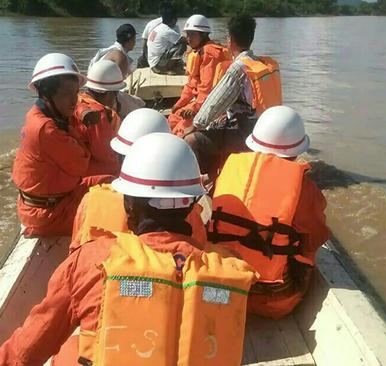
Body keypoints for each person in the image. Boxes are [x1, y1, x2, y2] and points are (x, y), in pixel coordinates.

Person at [0, 133, 257, 366]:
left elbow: (27, 350)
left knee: (72, 349)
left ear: (128, 205)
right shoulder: (230, 267)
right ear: (190, 206)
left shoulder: (91, 261)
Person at [207, 106, 329, 320]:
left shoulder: (229, 167)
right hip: (269, 301)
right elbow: (316, 237)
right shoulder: (303, 187)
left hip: (216, 289)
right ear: (297, 150)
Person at [71, 108, 208, 251]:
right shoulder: (184, 208)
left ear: (120, 156)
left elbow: (75, 251)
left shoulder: (93, 200)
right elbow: (199, 248)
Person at [12, 53, 113, 238]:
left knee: (112, 179)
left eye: (75, 93)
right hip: (50, 214)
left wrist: (80, 112)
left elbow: (75, 109)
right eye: (66, 94)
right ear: (47, 94)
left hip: (55, 199)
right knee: (115, 209)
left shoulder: (39, 114)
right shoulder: (47, 129)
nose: (74, 100)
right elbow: (82, 163)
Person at [183, 14, 283, 179]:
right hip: (269, 130)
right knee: (217, 126)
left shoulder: (238, 69)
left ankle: (205, 180)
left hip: (248, 134)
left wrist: (194, 125)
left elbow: (213, 105)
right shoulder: (266, 64)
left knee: (191, 140)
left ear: (230, 40)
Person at [168, 14, 231, 136]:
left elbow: (207, 91)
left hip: (210, 105)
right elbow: (192, 84)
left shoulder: (210, 54)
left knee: (179, 131)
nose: (188, 38)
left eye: (192, 34)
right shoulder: (197, 53)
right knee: (172, 119)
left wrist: (193, 108)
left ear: (203, 35)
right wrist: (179, 103)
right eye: (187, 34)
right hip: (200, 102)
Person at [73, 60, 126, 177]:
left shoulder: (76, 99)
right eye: (115, 94)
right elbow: (105, 157)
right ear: (108, 94)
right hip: (88, 172)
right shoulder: (99, 114)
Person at [89, 23, 145, 118]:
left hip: (95, 90)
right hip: (105, 93)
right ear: (130, 40)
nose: (135, 43)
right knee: (140, 104)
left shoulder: (110, 50)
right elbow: (116, 87)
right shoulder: (121, 57)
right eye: (134, 40)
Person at [137, 1, 180, 68]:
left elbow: (144, 41)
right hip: (161, 59)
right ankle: (172, 67)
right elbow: (180, 41)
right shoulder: (173, 26)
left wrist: (146, 57)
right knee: (181, 45)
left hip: (150, 56)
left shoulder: (151, 24)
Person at [146, 5, 187, 74]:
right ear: (173, 20)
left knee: (176, 45)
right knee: (182, 45)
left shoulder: (158, 28)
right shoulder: (167, 31)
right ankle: (167, 69)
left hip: (152, 63)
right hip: (157, 66)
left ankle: (170, 66)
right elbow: (186, 41)